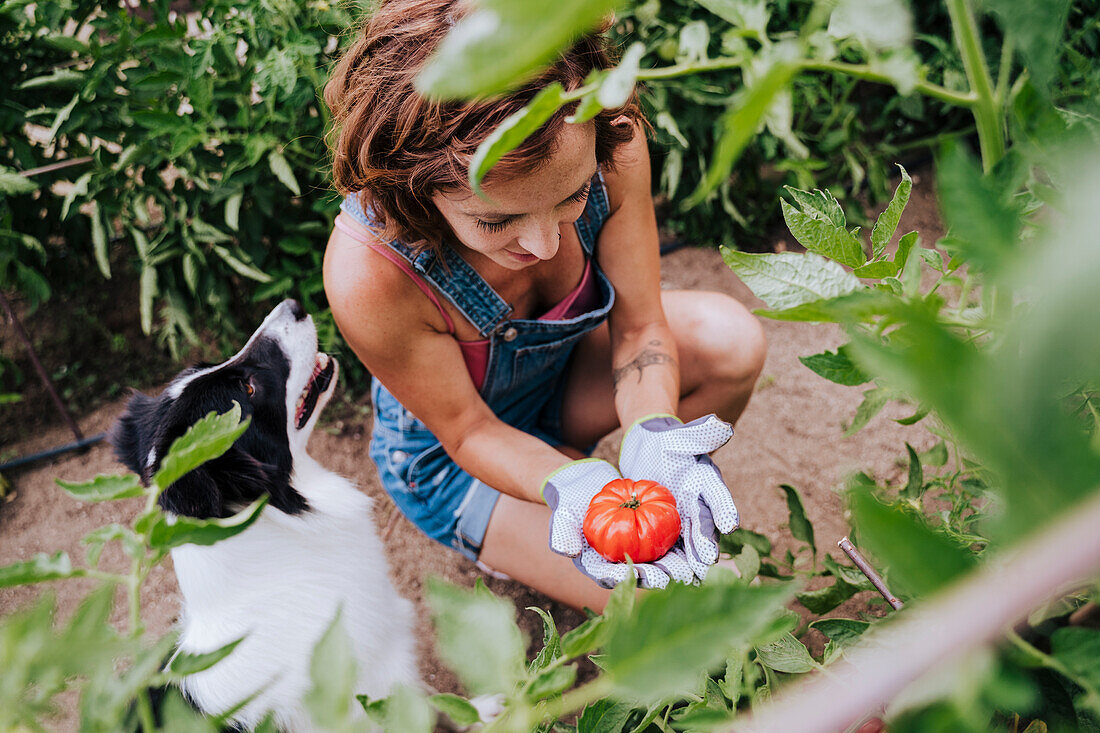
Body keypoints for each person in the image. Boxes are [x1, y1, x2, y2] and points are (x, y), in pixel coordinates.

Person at [322, 0, 766, 613]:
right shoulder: (369, 273)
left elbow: (639, 328)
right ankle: (515, 519)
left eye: (573, 194)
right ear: (417, 192)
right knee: (671, 611)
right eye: (496, 219)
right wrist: (565, 481)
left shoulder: (614, 142)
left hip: (559, 384)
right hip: (458, 458)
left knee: (730, 341)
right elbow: (469, 430)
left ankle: (604, 476)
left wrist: (654, 430)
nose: (546, 243)